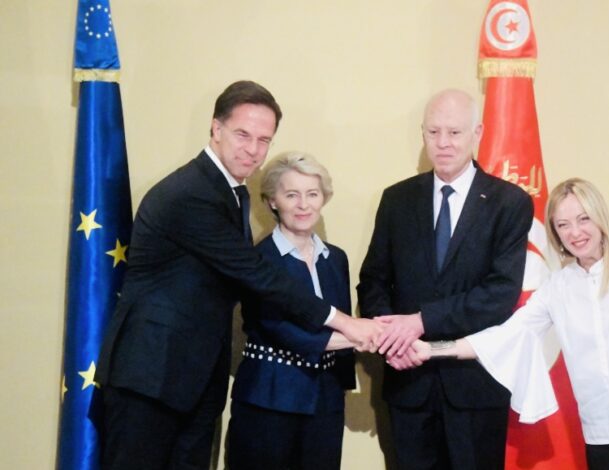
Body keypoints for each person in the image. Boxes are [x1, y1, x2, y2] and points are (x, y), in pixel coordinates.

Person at [94, 81, 381, 470]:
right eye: (243, 134)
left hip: (193, 382)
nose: (253, 149)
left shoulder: (231, 192)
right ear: (216, 128)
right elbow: (257, 274)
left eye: (264, 140)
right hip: (150, 379)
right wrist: (347, 323)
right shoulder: (191, 193)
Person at [394, 177, 609, 470]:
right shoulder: (557, 287)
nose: (575, 232)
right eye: (563, 225)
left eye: (583, 219)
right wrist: (430, 350)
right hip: (603, 435)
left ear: (600, 217)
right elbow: (505, 336)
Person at [357, 89, 534, 470]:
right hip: (407, 383)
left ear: (477, 133)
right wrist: (392, 340)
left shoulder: (509, 203)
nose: (443, 143)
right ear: (423, 134)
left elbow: (499, 295)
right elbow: (372, 281)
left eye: (454, 132)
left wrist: (421, 322)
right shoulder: (396, 199)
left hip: (475, 388)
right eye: (433, 132)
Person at [227, 152, 356, 470]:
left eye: (312, 194)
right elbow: (282, 331)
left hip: (325, 403)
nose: (303, 205)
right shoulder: (258, 261)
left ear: (323, 198)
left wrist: (341, 384)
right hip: (270, 400)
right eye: (292, 195)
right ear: (273, 201)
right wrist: (366, 335)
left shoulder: (336, 259)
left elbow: (343, 325)